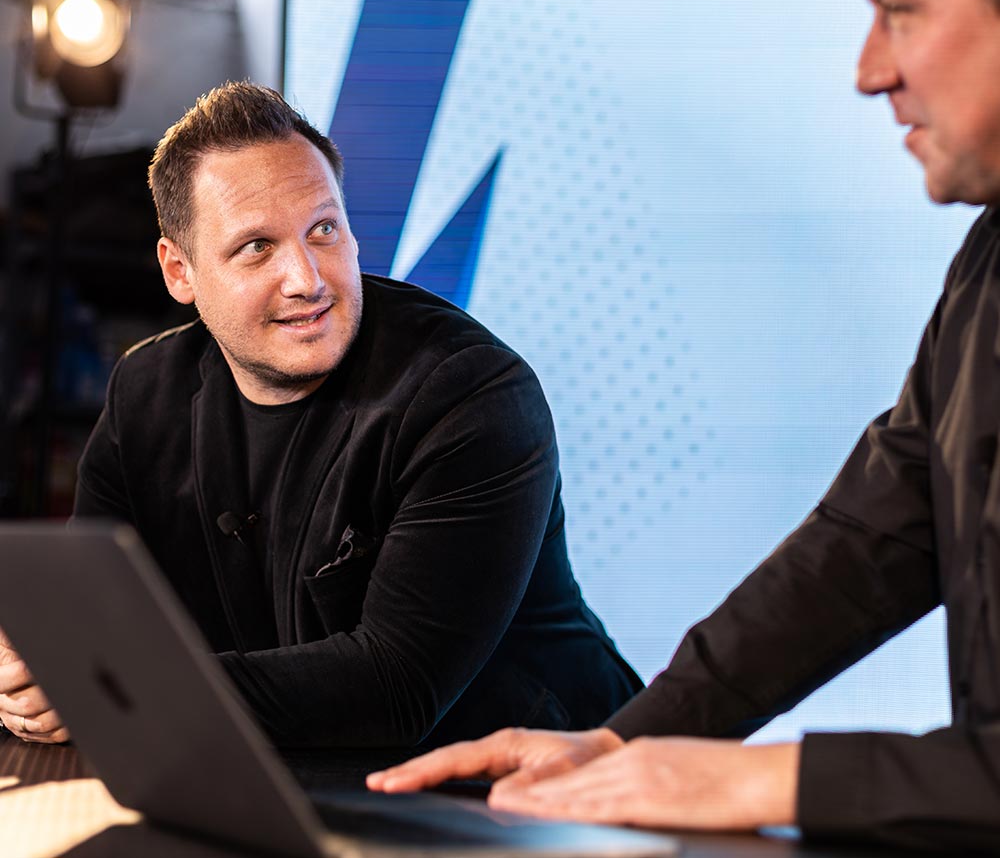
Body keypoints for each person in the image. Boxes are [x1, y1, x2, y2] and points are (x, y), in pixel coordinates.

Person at [368, 0, 1000, 849]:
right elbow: (872, 536)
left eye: (900, 11)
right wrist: (628, 743)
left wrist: (767, 780)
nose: (869, 69)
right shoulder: (987, 266)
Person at [0, 81, 642, 750]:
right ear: (180, 271)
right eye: (257, 247)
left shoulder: (473, 394)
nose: (307, 279)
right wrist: (32, 663)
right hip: (294, 775)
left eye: (324, 230)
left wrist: (114, 686)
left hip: (549, 784)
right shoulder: (144, 393)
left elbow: (394, 687)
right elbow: (90, 620)